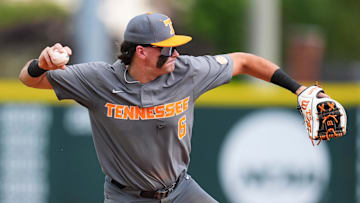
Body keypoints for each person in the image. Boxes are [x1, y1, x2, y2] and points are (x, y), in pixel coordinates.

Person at [19, 12, 320, 203]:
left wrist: (298, 88)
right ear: (142, 52)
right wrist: (40, 64)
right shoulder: (99, 80)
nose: (176, 52)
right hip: (127, 197)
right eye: (168, 47)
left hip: (180, 191)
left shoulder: (187, 71)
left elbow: (243, 61)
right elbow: (29, 80)